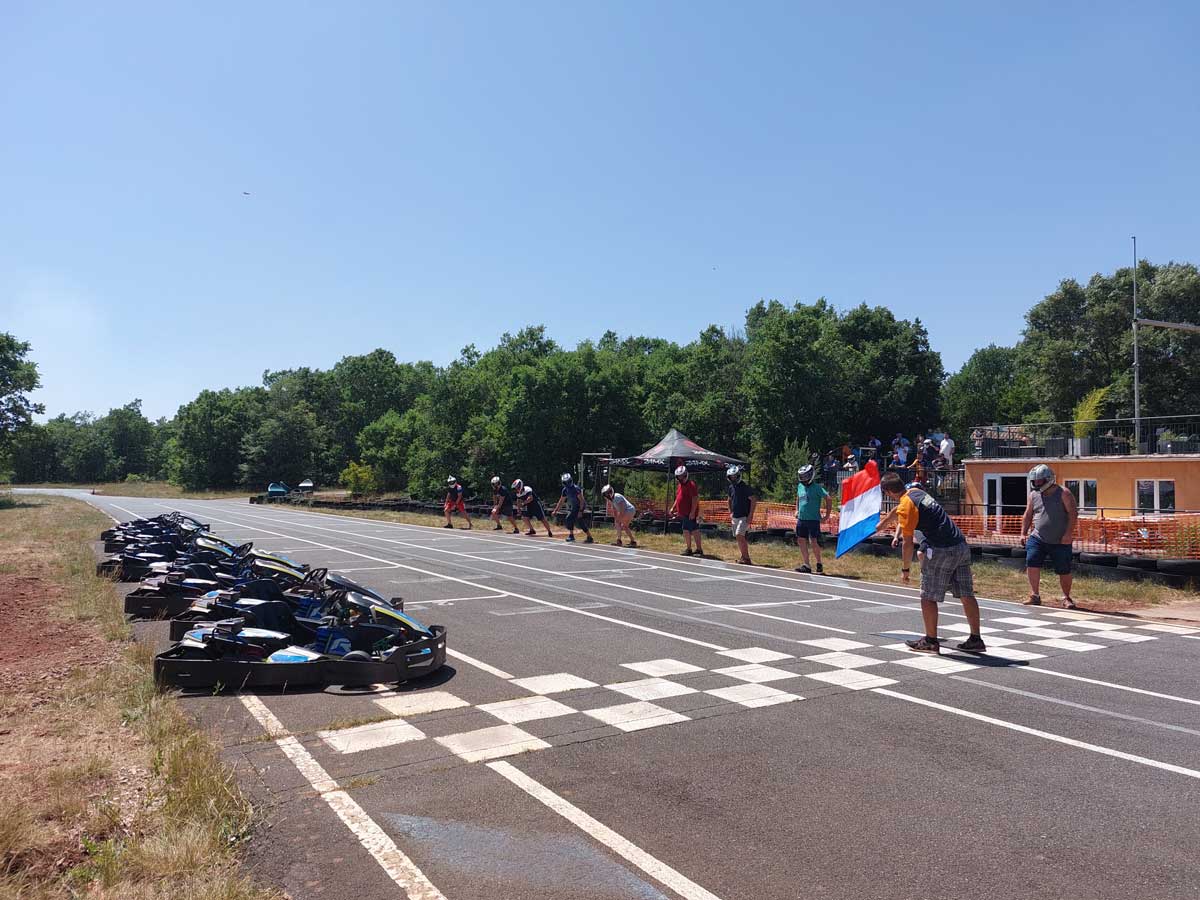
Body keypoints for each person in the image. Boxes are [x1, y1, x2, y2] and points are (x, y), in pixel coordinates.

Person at [878, 471, 986, 655]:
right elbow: (898, 510)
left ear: (888, 492)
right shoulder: (916, 493)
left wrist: (905, 569)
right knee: (966, 593)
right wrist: (884, 523)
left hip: (941, 549)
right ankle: (976, 638)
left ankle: (930, 640)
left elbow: (908, 542)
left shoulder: (906, 506)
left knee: (927, 596)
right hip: (960, 545)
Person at [1020, 464, 1078, 609]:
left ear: (1049, 479)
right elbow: (1028, 515)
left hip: (1060, 540)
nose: (1037, 484)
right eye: (1035, 481)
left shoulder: (1064, 493)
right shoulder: (1033, 495)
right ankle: (1035, 595)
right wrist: (1023, 533)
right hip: (1037, 538)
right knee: (1031, 562)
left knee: (1064, 569)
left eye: (1040, 481)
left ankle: (1066, 597)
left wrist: (1068, 534)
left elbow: (1073, 514)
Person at [794, 464, 831, 574]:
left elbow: (828, 498)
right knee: (801, 540)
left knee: (813, 541)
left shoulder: (817, 488)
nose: (803, 479)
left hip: (813, 519)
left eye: (805, 476)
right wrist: (796, 510)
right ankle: (806, 564)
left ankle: (819, 563)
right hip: (802, 518)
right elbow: (798, 498)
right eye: (802, 477)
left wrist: (827, 516)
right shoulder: (800, 486)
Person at [668, 465, 704, 556]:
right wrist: (673, 507)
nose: (680, 478)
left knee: (691, 530)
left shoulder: (691, 484)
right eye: (679, 476)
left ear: (686, 475)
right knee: (690, 530)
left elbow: (695, 499)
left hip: (690, 513)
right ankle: (693, 549)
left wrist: (692, 512)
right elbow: (678, 498)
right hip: (684, 513)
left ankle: (694, 549)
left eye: (682, 476)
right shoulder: (680, 485)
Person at [725, 465, 758, 565]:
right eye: (731, 477)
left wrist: (750, 515)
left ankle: (746, 558)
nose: (733, 478)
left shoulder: (745, 487)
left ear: (739, 476)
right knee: (738, 537)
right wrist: (730, 512)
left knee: (740, 535)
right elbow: (729, 500)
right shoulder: (731, 487)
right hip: (735, 516)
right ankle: (743, 556)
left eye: (735, 476)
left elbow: (753, 500)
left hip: (744, 516)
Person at [551, 473, 595, 544]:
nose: (568, 483)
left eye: (569, 481)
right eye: (566, 482)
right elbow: (561, 501)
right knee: (569, 519)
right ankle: (572, 536)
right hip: (574, 506)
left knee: (579, 521)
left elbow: (582, 501)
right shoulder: (565, 490)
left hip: (580, 505)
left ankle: (589, 537)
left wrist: (580, 511)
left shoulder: (576, 489)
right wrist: (555, 511)